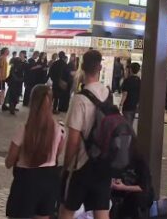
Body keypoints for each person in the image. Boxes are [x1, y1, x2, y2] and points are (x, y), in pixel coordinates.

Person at [60, 50, 113, 219]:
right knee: (102, 212)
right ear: (100, 68)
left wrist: (66, 167)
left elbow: (73, 140)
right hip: (104, 165)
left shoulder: (79, 99)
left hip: (82, 166)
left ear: (82, 67)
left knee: (67, 211)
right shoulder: (108, 95)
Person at [5, 85, 65, 219]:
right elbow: (56, 155)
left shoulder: (23, 129)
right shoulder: (59, 130)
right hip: (49, 179)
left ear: (32, 103)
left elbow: (9, 162)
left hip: (25, 180)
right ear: (52, 102)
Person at [110, 141, 153, 219]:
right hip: (123, 190)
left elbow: (143, 187)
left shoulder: (141, 163)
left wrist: (123, 187)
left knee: (136, 199)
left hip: (139, 192)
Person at [120, 62, 142, 126]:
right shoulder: (139, 81)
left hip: (127, 105)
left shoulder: (127, 80)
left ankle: (130, 135)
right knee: (131, 122)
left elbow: (125, 94)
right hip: (135, 105)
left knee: (127, 124)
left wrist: (121, 104)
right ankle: (131, 135)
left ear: (130, 70)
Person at [0, 48, 11, 113]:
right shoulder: (2, 58)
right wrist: (0, 77)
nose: (8, 52)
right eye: (7, 51)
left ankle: (1, 104)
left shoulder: (4, 58)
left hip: (2, 77)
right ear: (4, 51)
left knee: (1, 91)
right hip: (0, 78)